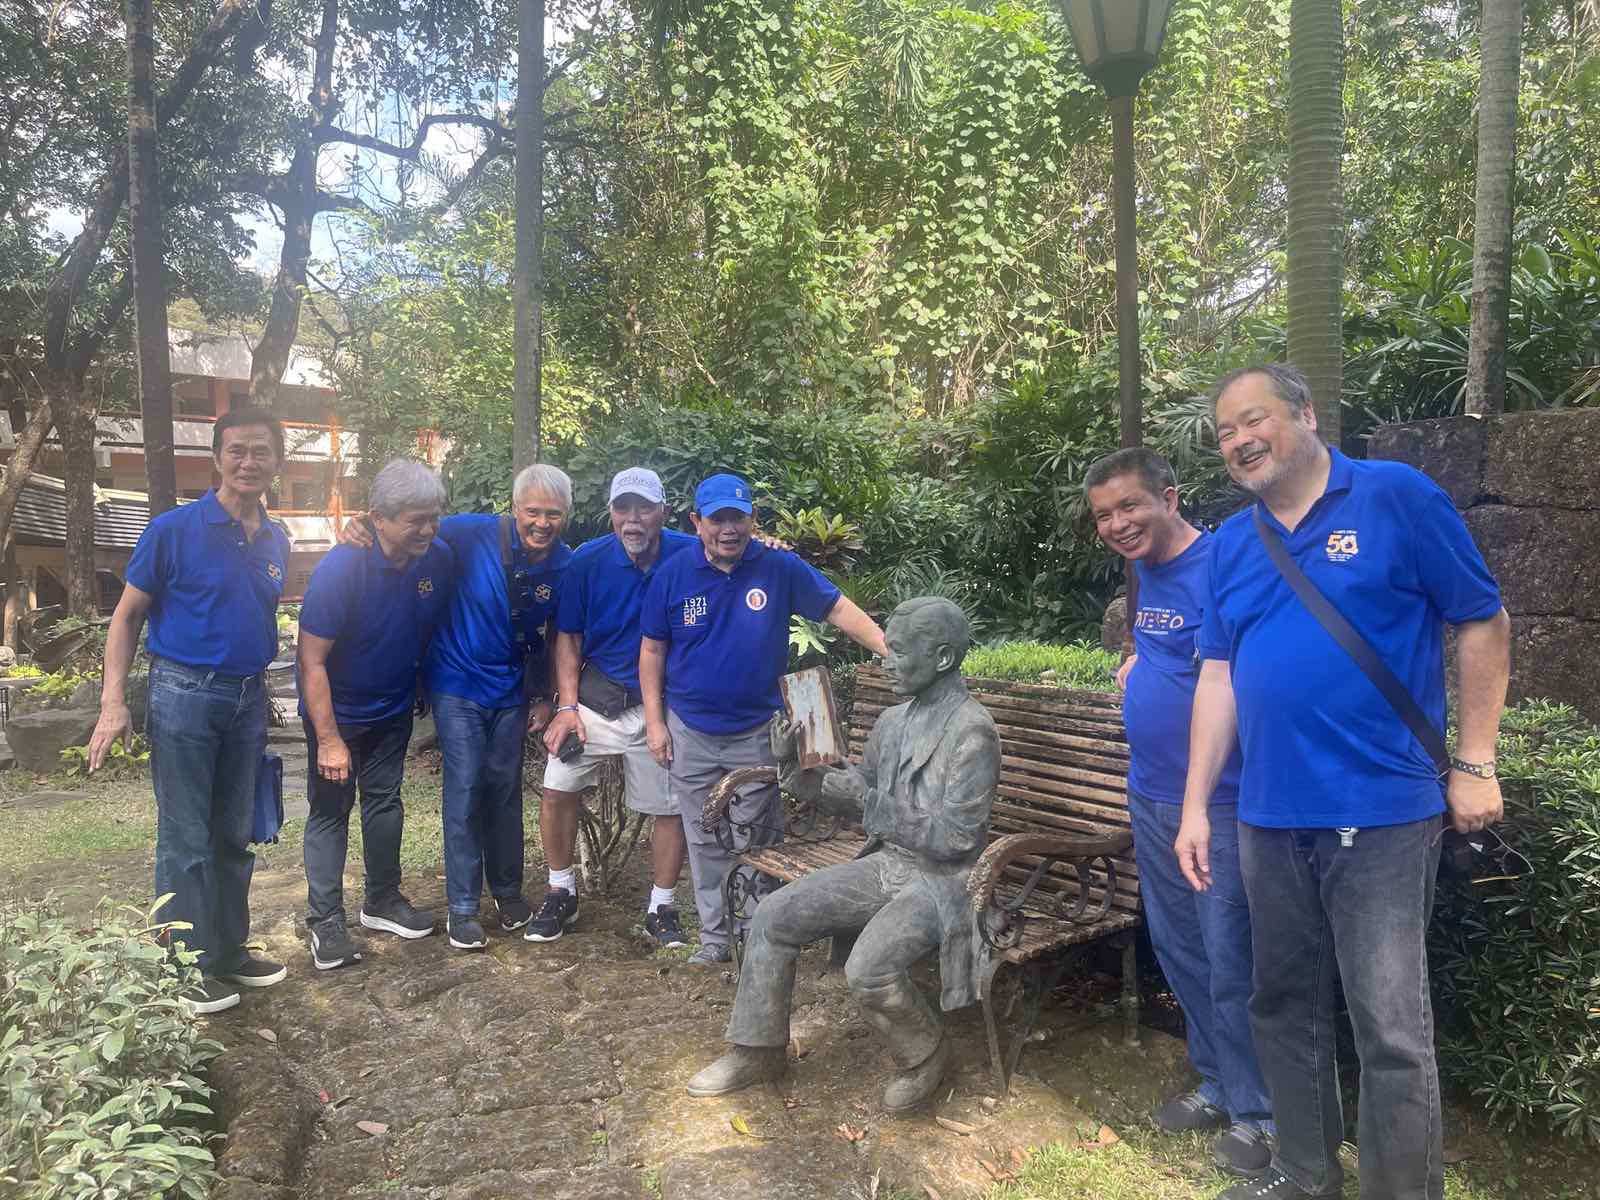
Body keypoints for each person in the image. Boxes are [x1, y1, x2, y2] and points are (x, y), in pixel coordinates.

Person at [1177, 364, 1510, 1200]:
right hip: (1267, 817)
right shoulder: (1231, 545)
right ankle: (1304, 1172)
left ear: (1307, 414)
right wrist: (1193, 807)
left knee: (1390, 1026)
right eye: (1224, 432)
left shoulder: (1396, 495)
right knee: (1281, 1002)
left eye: (1254, 420)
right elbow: (1218, 674)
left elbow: (1481, 618)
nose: (1241, 441)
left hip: (1383, 811)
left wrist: (1475, 762)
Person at [686, 597, 998, 1112]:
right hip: (887, 863)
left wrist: (867, 800)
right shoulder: (895, 721)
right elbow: (857, 797)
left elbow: (957, 840)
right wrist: (796, 770)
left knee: (868, 968)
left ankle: (926, 1052)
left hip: (944, 882)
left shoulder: (973, 731)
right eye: (888, 650)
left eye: (899, 652)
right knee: (774, 915)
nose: (887, 661)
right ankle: (758, 1050)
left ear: (942, 657)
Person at [1084, 447, 1274, 1178]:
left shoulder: (1227, 561)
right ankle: (1218, 1083)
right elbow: (1168, 643)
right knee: (1181, 951)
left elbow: (1246, 673)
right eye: (1104, 515)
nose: (1118, 523)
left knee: (1234, 958)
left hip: (1220, 804)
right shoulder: (1143, 572)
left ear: (1168, 496)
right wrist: (1140, 660)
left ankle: (1261, 1114)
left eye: (1130, 506)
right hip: (1150, 795)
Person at [88, 408, 293, 1015]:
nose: (248, 462)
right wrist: (112, 702)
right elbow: (125, 618)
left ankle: (226, 953)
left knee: (235, 832)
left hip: (247, 699)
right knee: (185, 837)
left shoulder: (276, 537)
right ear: (217, 458)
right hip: (183, 693)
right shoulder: (173, 530)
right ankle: (182, 970)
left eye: (260, 451)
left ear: (277, 460)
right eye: (237, 451)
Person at [638, 472, 887, 964]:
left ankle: (756, 939)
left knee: (754, 835)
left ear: (753, 519)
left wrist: (886, 646)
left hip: (757, 731)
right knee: (704, 836)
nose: (728, 528)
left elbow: (836, 608)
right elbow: (652, 649)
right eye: (717, 519)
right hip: (690, 728)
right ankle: (714, 941)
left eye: (739, 517)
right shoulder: (672, 573)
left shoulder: (779, 566)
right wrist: (654, 720)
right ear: (696, 522)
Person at [531, 467, 701, 947]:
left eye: (644, 508)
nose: (633, 520)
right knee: (557, 786)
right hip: (596, 699)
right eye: (622, 508)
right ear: (610, 513)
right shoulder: (587, 561)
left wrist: (768, 544)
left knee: (669, 807)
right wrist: (566, 706)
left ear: (663, 513)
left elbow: (744, 558)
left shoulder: (691, 554)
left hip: (660, 707)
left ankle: (661, 905)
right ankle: (561, 890)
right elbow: (568, 637)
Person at [296, 460, 455, 970]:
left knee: (385, 802)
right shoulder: (342, 567)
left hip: (392, 708)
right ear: (378, 519)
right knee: (330, 811)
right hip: (336, 712)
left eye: (434, 517)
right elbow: (310, 659)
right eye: (415, 520)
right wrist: (328, 740)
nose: (427, 529)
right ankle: (325, 922)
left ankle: (382, 899)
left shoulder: (436, 558)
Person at [412, 464, 573, 950]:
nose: (541, 523)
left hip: (511, 691)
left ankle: (507, 893)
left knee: (504, 789)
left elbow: (557, 637)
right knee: (465, 784)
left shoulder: (566, 564)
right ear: (514, 507)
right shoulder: (473, 533)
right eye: (532, 512)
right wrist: (361, 527)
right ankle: (461, 906)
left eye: (553, 514)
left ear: (566, 515)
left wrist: (546, 696)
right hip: (457, 682)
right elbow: (412, 530)